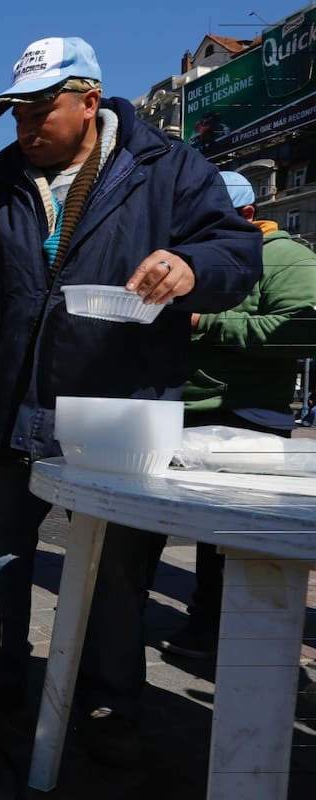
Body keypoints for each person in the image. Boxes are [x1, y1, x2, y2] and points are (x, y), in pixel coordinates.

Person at [0, 37, 262, 764]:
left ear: (89, 101)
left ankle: (109, 710)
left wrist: (189, 265)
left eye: (40, 110)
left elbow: (237, 253)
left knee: (115, 580)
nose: (25, 126)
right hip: (12, 409)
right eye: (16, 113)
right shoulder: (1, 187)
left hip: (117, 416)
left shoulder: (167, 168)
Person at [152, 171, 316, 659]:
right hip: (177, 409)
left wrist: (205, 322)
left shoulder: (288, 259)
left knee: (231, 539)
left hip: (246, 418)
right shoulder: (192, 259)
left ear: (247, 215)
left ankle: (220, 633)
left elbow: (301, 334)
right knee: (147, 526)